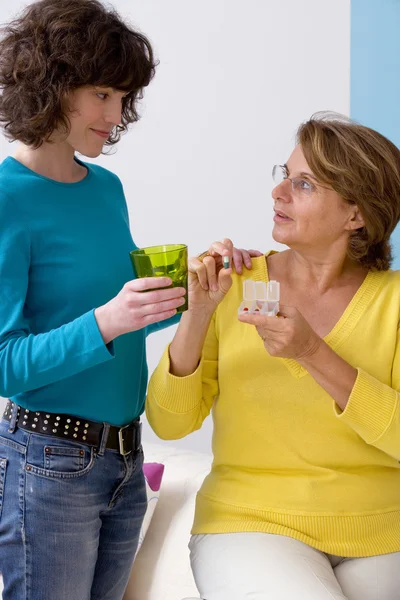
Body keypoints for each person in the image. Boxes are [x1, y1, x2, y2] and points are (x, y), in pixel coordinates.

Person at [0, 1, 258, 599]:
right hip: (47, 463)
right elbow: (6, 361)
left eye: (123, 98)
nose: (116, 116)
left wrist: (202, 283)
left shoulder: (106, 189)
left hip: (123, 458)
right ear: (52, 84)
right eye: (102, 94)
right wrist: (106, 322)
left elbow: (136, 314)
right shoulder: (9, 201)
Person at [146, 112, 400, 600]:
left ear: (356, 215)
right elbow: (169, 422)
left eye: (303, 184)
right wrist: (197, 313)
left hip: (383, 531)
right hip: (252, 522)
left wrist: (310, 352)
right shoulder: (233, 283)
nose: (277, 193)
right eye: (283, 175)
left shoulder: (392, 303)